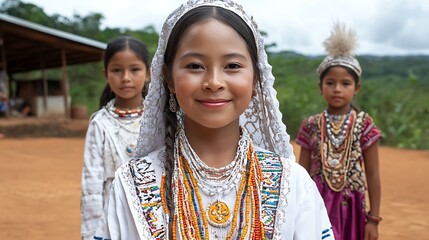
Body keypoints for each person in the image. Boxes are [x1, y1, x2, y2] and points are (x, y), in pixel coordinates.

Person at [95, 0, 334, 239]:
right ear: (168, 78)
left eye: (232, 65)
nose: (214, 82)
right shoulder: (132, 185)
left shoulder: (292, 184)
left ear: (255, 79)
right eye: (195, 66)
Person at [296, 23, 382, 240]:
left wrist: (373, 219)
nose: (337, 89)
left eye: (345, 83)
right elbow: (301, 174)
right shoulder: (311, 125)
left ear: (357, 87)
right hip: (316, 206)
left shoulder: (364, 125)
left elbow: (372, 174)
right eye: (330, 83)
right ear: (320, 87)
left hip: (351, 209)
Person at [80, 36, 151, 240]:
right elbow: (91, 181)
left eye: (135, 69)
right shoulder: (100, 123)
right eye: (117, 70)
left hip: (155, 217)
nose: (126, 77)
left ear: (148, 73)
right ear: (106, 74)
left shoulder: (160, 118)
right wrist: (92, 233)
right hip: (114, 219)